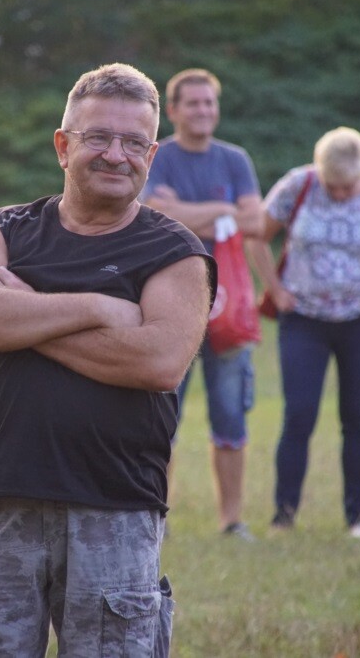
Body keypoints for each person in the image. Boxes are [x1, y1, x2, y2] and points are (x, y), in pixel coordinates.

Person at [0, 63, 214, 657]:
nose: (116, 155)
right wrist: (99, 308)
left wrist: (23, 313)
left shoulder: (176, 252)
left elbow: (158, 362)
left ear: (151, 153)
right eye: (98, 138)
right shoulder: (6, 229)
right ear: (64, 145)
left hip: (115, 511)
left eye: (134, 142)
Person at [254, 127, 360, 538]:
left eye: (348, 186)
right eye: (332, 185)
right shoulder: (297, 184)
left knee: (357, 415)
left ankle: (358, 519)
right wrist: (276, 288)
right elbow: (257, 237)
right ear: (318, 171)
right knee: (299, 414)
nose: (340, 194)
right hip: (304, 319)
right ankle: (283, 517)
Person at [141, 68, 264, 540]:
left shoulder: (235, 160)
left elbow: (254, 220)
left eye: (209, 103)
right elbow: (154, 214)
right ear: (171, 111)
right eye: (192, 103)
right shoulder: (159, 158)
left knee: (231, 414)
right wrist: (222, 211)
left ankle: (232, 520)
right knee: (160, 415)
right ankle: (156, 515)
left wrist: (191, 211)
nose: (203, 111)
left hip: (229, 308)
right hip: (167, 303)